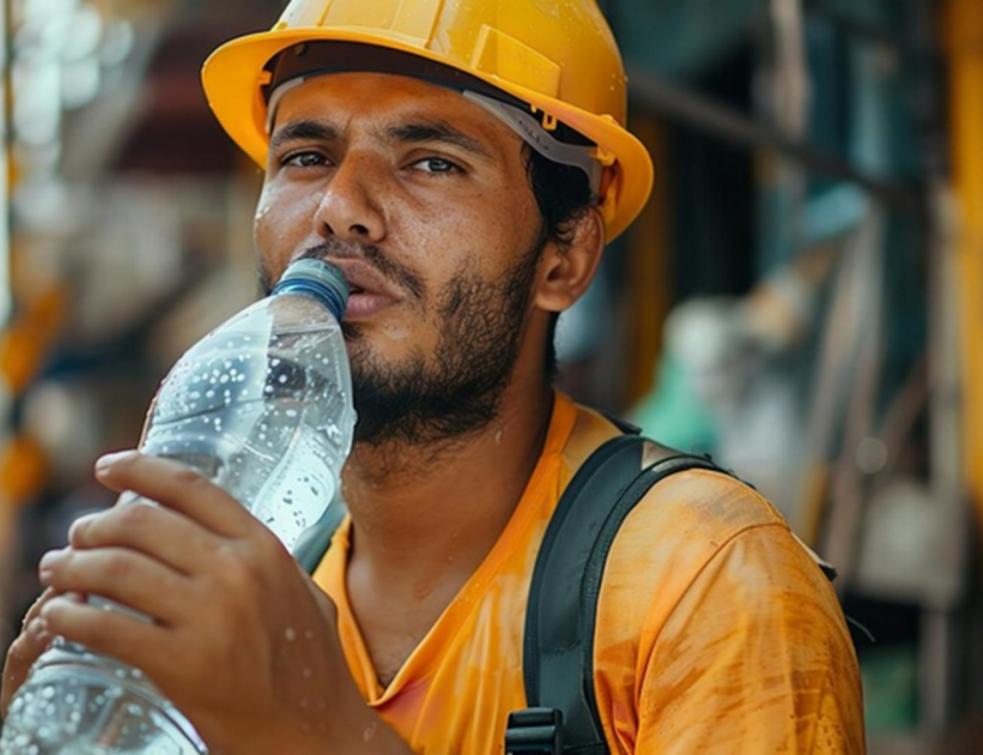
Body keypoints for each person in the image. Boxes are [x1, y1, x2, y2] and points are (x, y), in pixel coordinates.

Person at [1, 1, 865, 752]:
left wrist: (317, 737)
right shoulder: (261, 589)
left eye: (430, 162)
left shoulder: (705, 582)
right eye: (305, 156)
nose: (340, 205)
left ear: (562, 258)